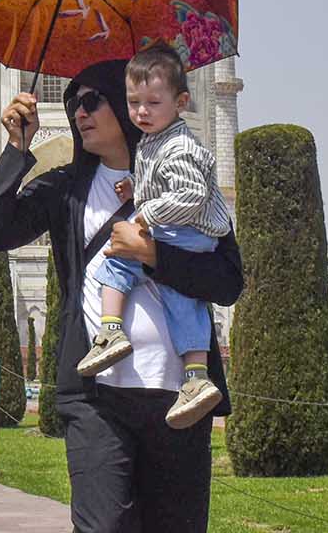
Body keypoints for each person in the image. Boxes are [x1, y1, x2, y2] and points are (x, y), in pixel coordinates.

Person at [0, 60, 243, 533]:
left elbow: (227, 281)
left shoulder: (181, 182)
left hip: (179, 393)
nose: (80, 112)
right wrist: (18, 147)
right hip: (97, 397)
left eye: (93, 100)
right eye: (73, 102)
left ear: (126, 106)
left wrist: (154, 256)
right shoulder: (67, 190)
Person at [77, 47, 233, 429]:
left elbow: (190, 193)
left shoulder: (178, 145)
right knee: (184, 302)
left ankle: (110, 331)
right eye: (134, 102)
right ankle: (196, 378)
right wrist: (138, 190)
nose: (141, 111)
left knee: (116, 261)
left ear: (181, 102)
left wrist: (145, 213)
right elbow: (165, 183)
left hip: (186, 231)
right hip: (191, 233)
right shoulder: (155, 142)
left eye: (152, 102)